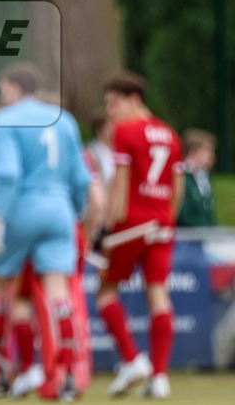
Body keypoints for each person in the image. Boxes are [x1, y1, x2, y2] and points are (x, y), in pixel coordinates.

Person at [0, 63, 90, 402]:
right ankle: (67, 376)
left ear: (12, 88)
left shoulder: (4, 119)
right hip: (60, 210)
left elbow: (9, 174)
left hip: (20, 209)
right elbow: (82, 178)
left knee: (0, 289)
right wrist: (77, 212)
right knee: (59, 294)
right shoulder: (65, 120)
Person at [97, 72, 183, 399]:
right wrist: (167, 219)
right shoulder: (170, 134)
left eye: (113, 103)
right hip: (161, 224)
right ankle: (160, 377)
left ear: (133, 99)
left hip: (130, 224)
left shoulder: (125, 131)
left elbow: (119, 184)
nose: (110, 111)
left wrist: (106, 226)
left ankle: (133, 360)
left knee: (106, 290)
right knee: (158, 294)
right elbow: (177, 188)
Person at [176, 128, 217, 228]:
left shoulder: (204, 178)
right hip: (188, 239)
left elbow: (209, 215)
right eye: (207, 150)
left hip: (203, 237)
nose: (212, 155)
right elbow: (183, 215)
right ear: (193, 152)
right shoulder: (182, 177)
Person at [84, 116, 116, 186]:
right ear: (99, 131)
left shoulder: (118, 148)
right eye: (108, 128)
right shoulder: (91, 151)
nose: (113, 130)